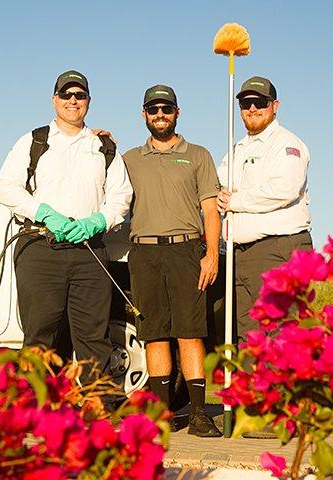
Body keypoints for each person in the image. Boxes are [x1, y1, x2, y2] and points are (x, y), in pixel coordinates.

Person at [0, 70, 133, 387]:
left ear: (88, 101)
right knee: (41, 334)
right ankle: (40, 407)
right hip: (41, 249)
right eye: (66, 95)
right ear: (54, 100)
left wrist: (97, 221)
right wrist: (42, 212)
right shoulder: (34, 141)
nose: (73, 101)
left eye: (79, 95)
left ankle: (95, 406)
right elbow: (5, 188)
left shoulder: (104, 147)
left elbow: (120, 197)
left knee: (92, 337)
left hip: (90, 252)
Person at [123, 84, 222, 437]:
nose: (159, 115)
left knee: (190, 332)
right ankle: (159, 414)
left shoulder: (197, 155)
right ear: (144, 114)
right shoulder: (129, 159)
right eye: (153, 109)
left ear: (177, 112)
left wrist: (211, 254)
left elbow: (211, 209)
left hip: (186, 252)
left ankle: (198, 413)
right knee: (154, 335)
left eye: (166, 109)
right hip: (145, 253)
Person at [217, 75, 312, 342]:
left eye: (260, 102)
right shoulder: (236, 149)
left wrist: (235, 200)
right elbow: (219, 185)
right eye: (246, 103)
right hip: (242, 255)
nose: (252, 109)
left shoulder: (286, 143)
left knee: (283, 334)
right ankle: (250, 386)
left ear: (275, 105)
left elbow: (284, 189)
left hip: (279, 249)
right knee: (250, 338)